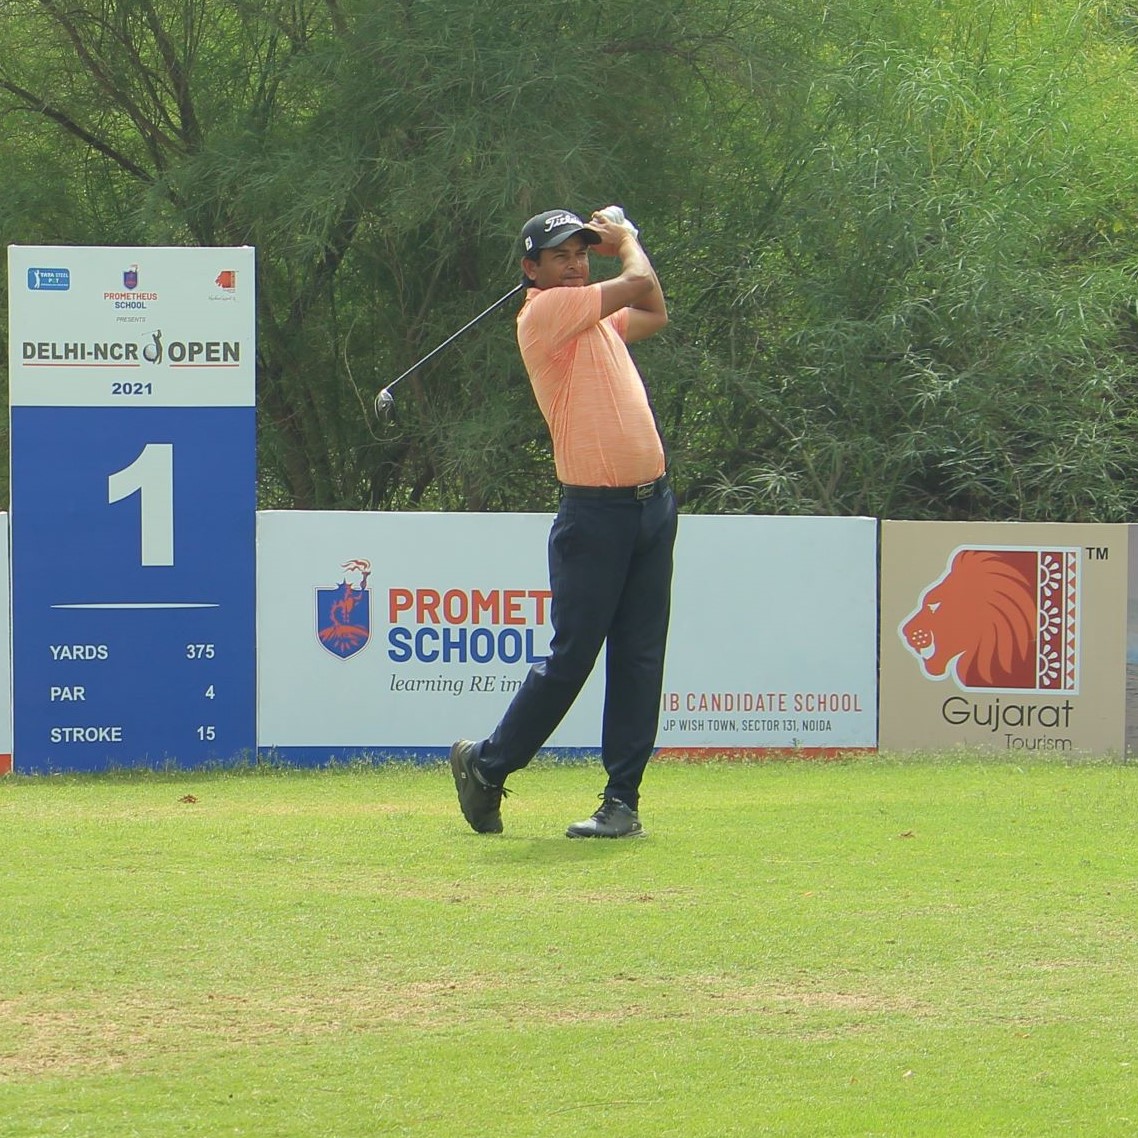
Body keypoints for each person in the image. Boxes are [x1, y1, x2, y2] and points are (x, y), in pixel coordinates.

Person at [450, 206, 677, 838]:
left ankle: (622, 802)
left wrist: (622, 250)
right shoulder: (547, 311)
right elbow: (637, 282)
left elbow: (654, 310)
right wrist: (625, 239)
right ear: (532, 270)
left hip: (652, 507)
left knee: (639, 657)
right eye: (560, 256)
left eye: (581, 252)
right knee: (573, 657)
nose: (575, 264)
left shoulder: (593, 318)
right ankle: (488, 765)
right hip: (595, 513)